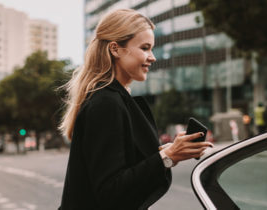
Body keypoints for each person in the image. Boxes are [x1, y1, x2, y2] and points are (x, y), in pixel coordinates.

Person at [58, 9, 213, 210]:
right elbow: (111, 191)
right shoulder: (106, 103)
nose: (153, 57)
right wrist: (168, 156)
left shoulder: (114, 99)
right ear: (116, 49)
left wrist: (167, 152)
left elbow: (124, 166)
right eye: (145, 48)